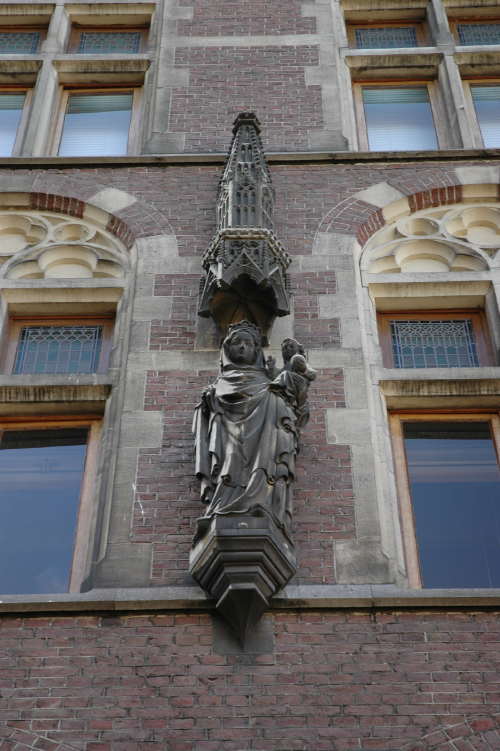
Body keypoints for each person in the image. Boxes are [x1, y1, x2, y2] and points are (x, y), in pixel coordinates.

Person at [193, 321, 314, 541]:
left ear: (256, 349)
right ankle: (223, 507)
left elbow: (299, 410)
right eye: (236, 343)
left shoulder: (270, 382)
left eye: (248, 343)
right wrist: (208, 402)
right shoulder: (219, 385)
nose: (242, 347)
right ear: (227, 349)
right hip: (230, 441)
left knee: (267, 467)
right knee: (229, 464)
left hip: (266, 442)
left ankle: (265, 507)